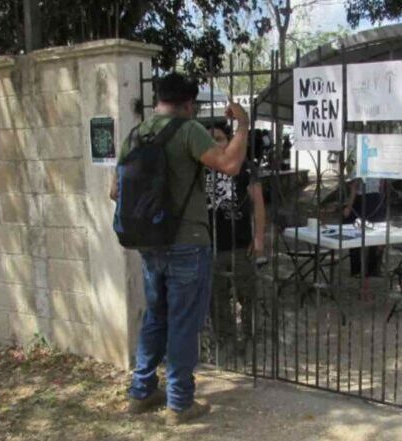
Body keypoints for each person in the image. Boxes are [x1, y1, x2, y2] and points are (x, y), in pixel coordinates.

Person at [109, 73, 249, 425]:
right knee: (184, 322)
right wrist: (244, 126)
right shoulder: (188, 129)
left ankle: (141, 392)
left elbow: (115, 192)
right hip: (189, 243)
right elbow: (230, 165)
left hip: (149, 244)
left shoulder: (135, 135)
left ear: (158, 100)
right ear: (189, 104)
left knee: (156, 316)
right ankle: (180, 403)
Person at [202, 120, 266, 346]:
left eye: (219, 138)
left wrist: (258, 237)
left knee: (248, 294)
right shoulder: (197, 166)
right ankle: (226, 341)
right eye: (209, 138)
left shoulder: (244, 167)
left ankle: (251, 337)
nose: (214, 143)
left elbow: (257, 204)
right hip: (210, 246)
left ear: (229, 141)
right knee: (216, 298)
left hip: (240, 244)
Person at [343, 177, 385, 277]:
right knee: (357, 235)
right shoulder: (362, 165)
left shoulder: (379, 166)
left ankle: (373, 268)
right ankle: (357, 269)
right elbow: (354, 187)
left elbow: (381, 185)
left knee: (377, 234)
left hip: (375, 199)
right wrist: (349, 207)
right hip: (363, 200)